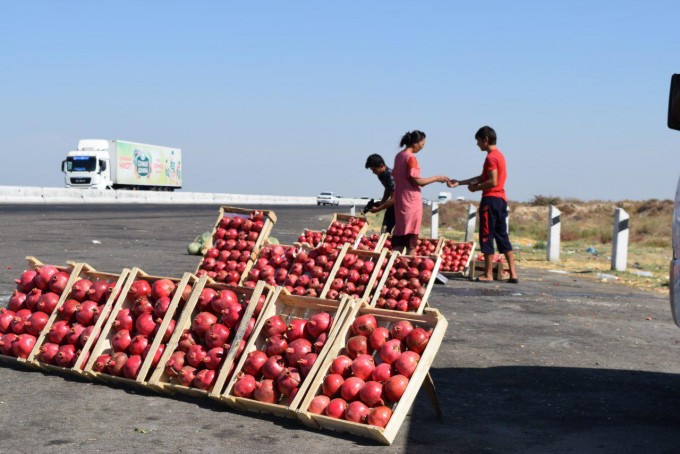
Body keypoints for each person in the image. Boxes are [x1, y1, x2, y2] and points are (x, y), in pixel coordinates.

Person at [449, 126, 519, 283]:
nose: (477, 144)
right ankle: (514, 273)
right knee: (502, 236)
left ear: (485, 140)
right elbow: (483, 176)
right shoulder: (499, 156)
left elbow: (492, 181)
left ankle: (488, 274)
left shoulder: (491, 158)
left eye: (478, 141)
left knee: (487, 235)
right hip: (501, 200)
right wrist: (460, 182)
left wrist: (475, 189)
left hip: (491, 200)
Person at [392, 130, 452, 255]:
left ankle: (394, 265)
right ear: (415, 143)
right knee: (411, 241)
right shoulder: (411, 158)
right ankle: (408, 269)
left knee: (399, 237)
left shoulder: (399, 156)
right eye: (422, 144)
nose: (422, 147)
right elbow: (417, 181)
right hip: (411, 201)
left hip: (400, 200)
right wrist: (436, 178)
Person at [364, 154, 396, 233]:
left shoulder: (390, 176)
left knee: (396, 232)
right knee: (385, 230)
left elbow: (394, 199)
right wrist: (382, 201)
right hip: (395, 203)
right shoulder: (381, 175)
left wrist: (378, 209)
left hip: (403, 205)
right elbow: (388, 189)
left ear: (381, 166)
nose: (373, 172)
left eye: (374, 169)